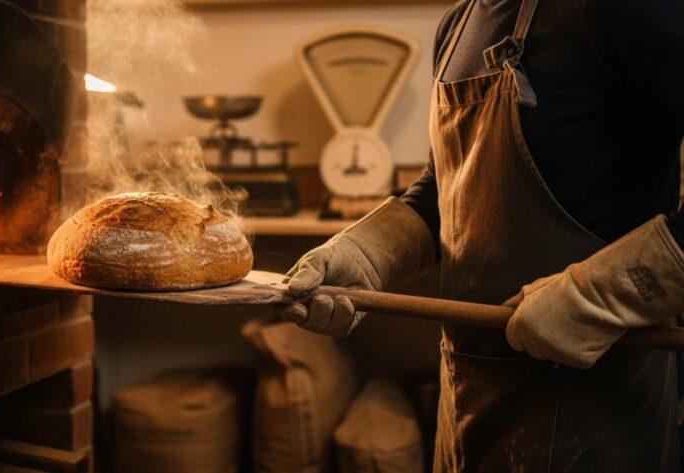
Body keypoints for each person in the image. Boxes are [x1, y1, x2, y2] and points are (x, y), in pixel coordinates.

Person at [280, 0, 684, 471]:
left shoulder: (629, 11)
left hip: (596, 421)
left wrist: (601, 295)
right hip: (467, 410)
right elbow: (445, 190)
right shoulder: (459, 24)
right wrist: (368, 252)